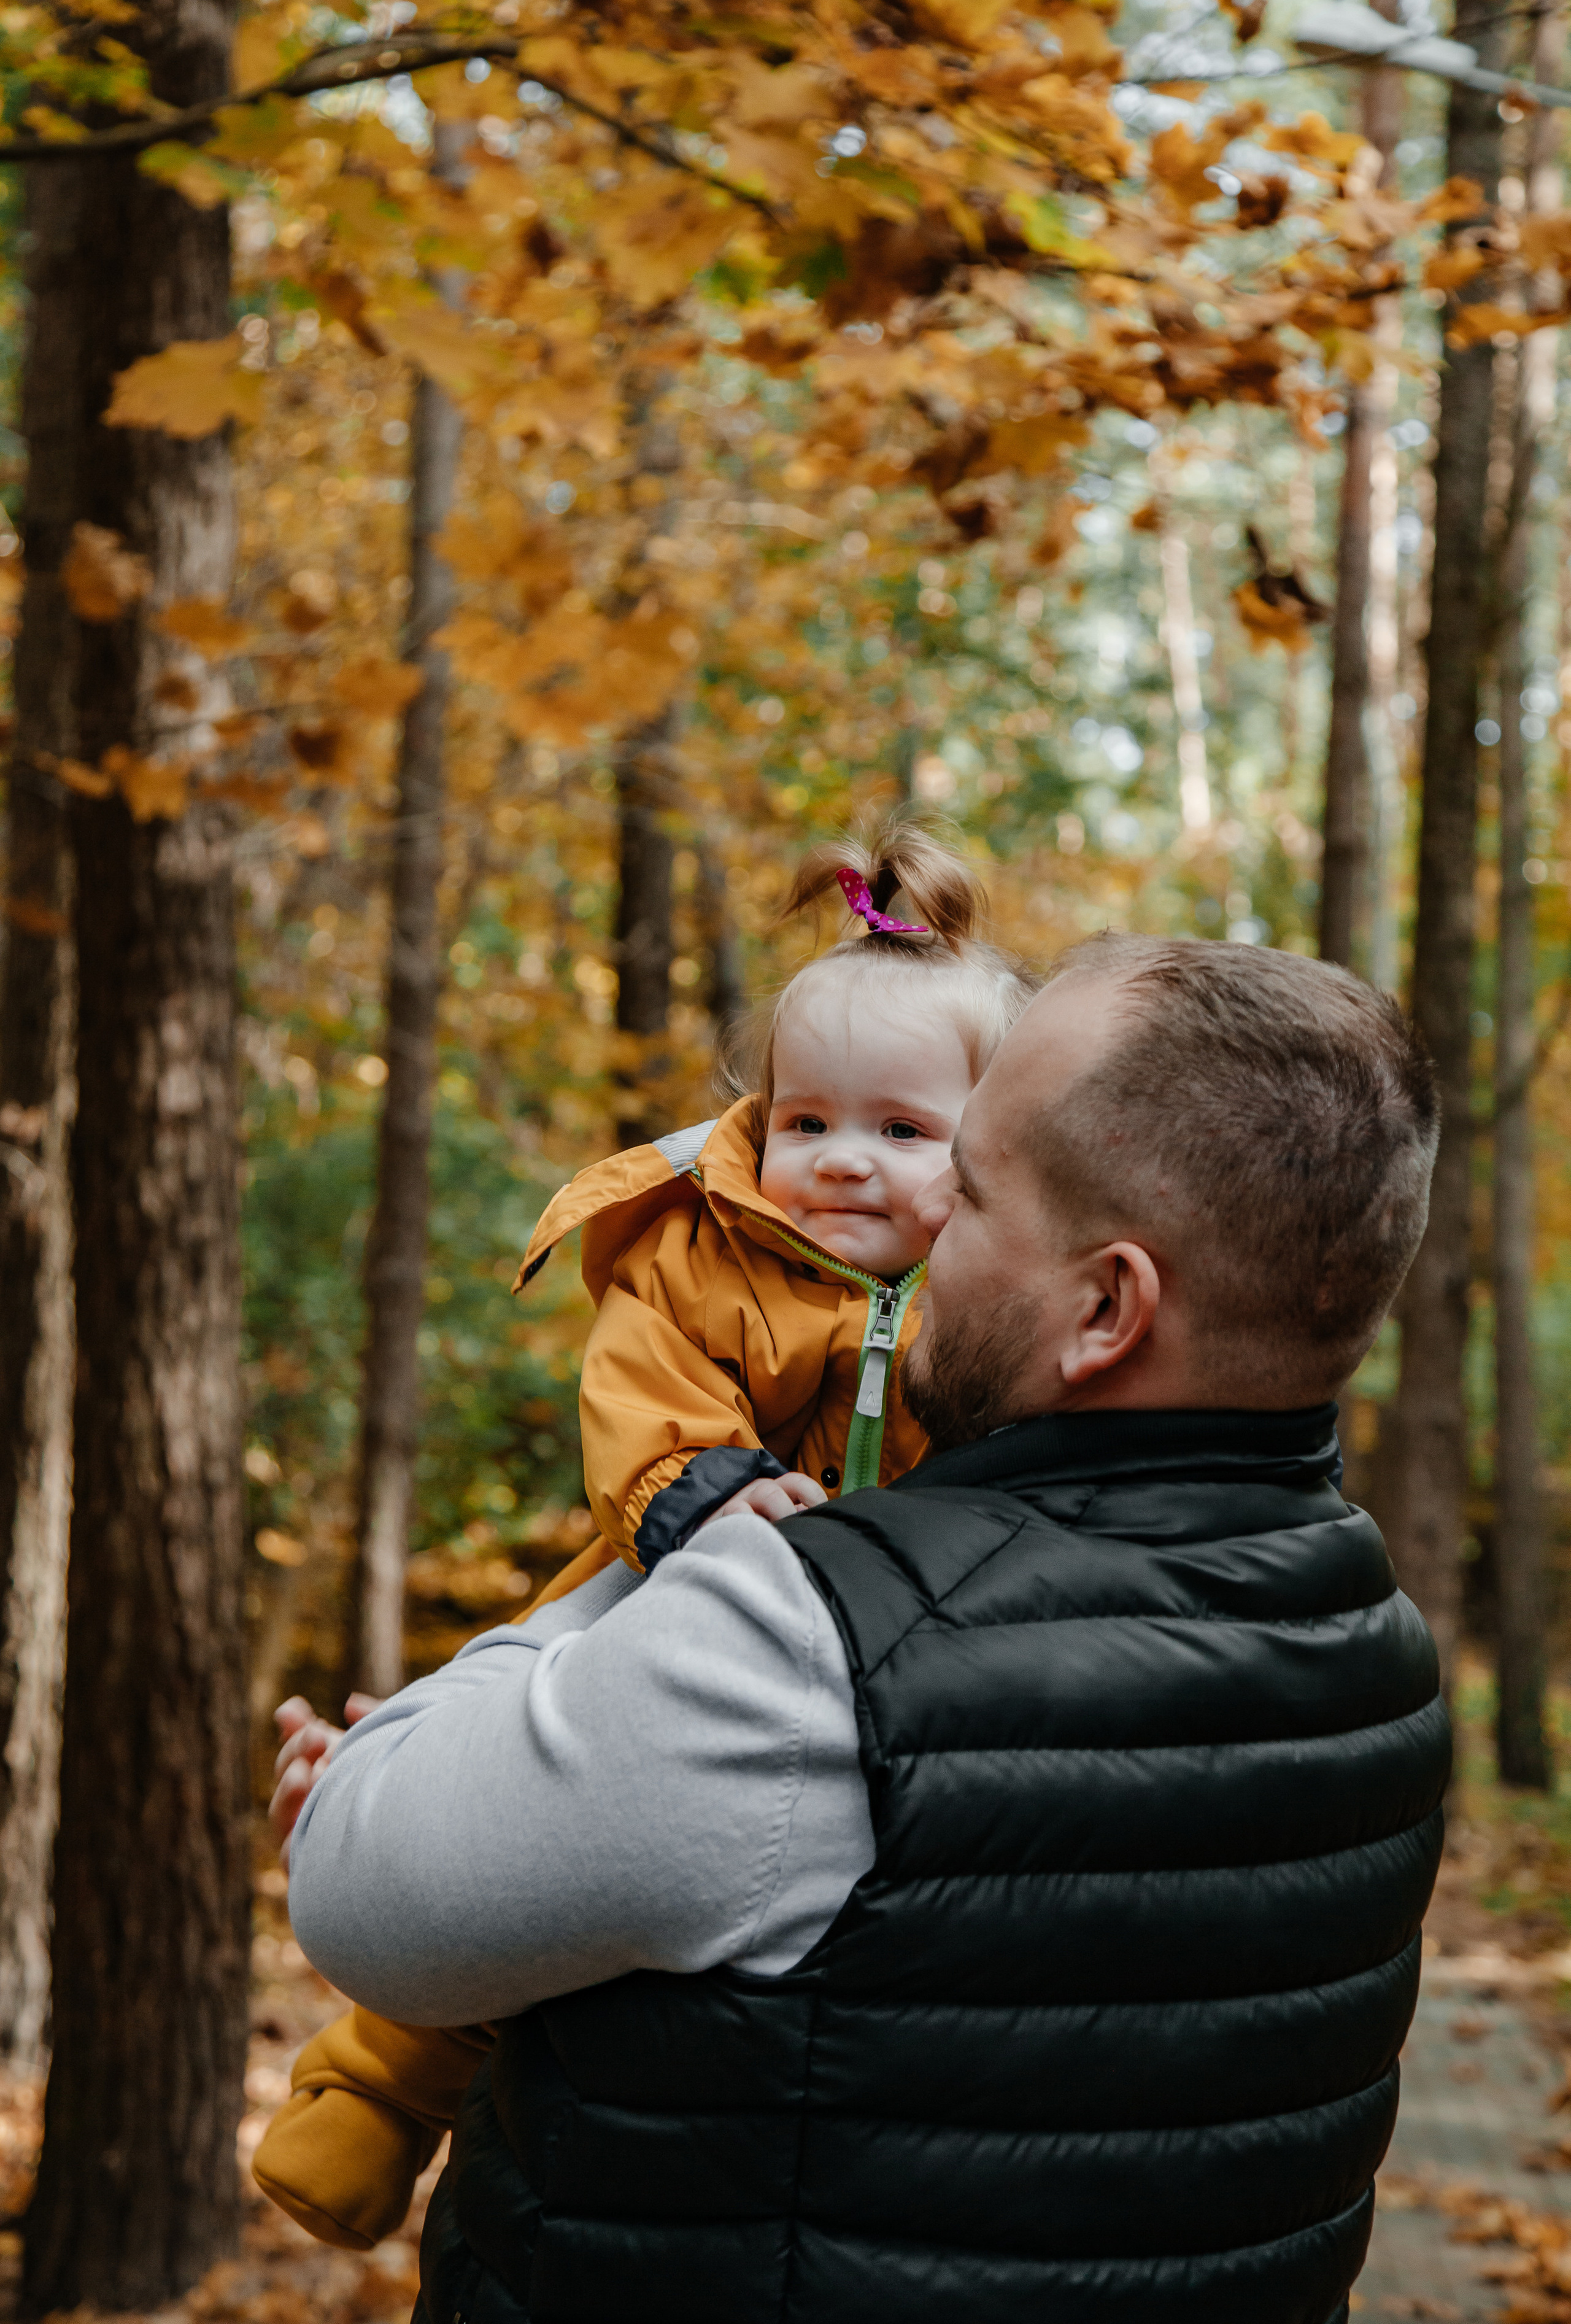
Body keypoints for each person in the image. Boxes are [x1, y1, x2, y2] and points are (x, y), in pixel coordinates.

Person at [281, 932, 1450, 2324]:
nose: (908, 1230)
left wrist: (614, 1589)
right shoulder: (1376, 1649)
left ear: (1102, 1308)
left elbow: (367, 1887)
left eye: (965, 1189)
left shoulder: (814, 1650)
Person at [254, 816, 1035, 2250]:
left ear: (989, 1151)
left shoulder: (987, 1302)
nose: (840, 1163)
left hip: (891, 1618)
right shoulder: (697, 1246)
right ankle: (373, 2080)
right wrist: (704, 1489)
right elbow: (640, 1388)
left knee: (641, 1889)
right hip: (674, 1560)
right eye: (804, 1122)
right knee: (513, 1800)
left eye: (902, 1131)